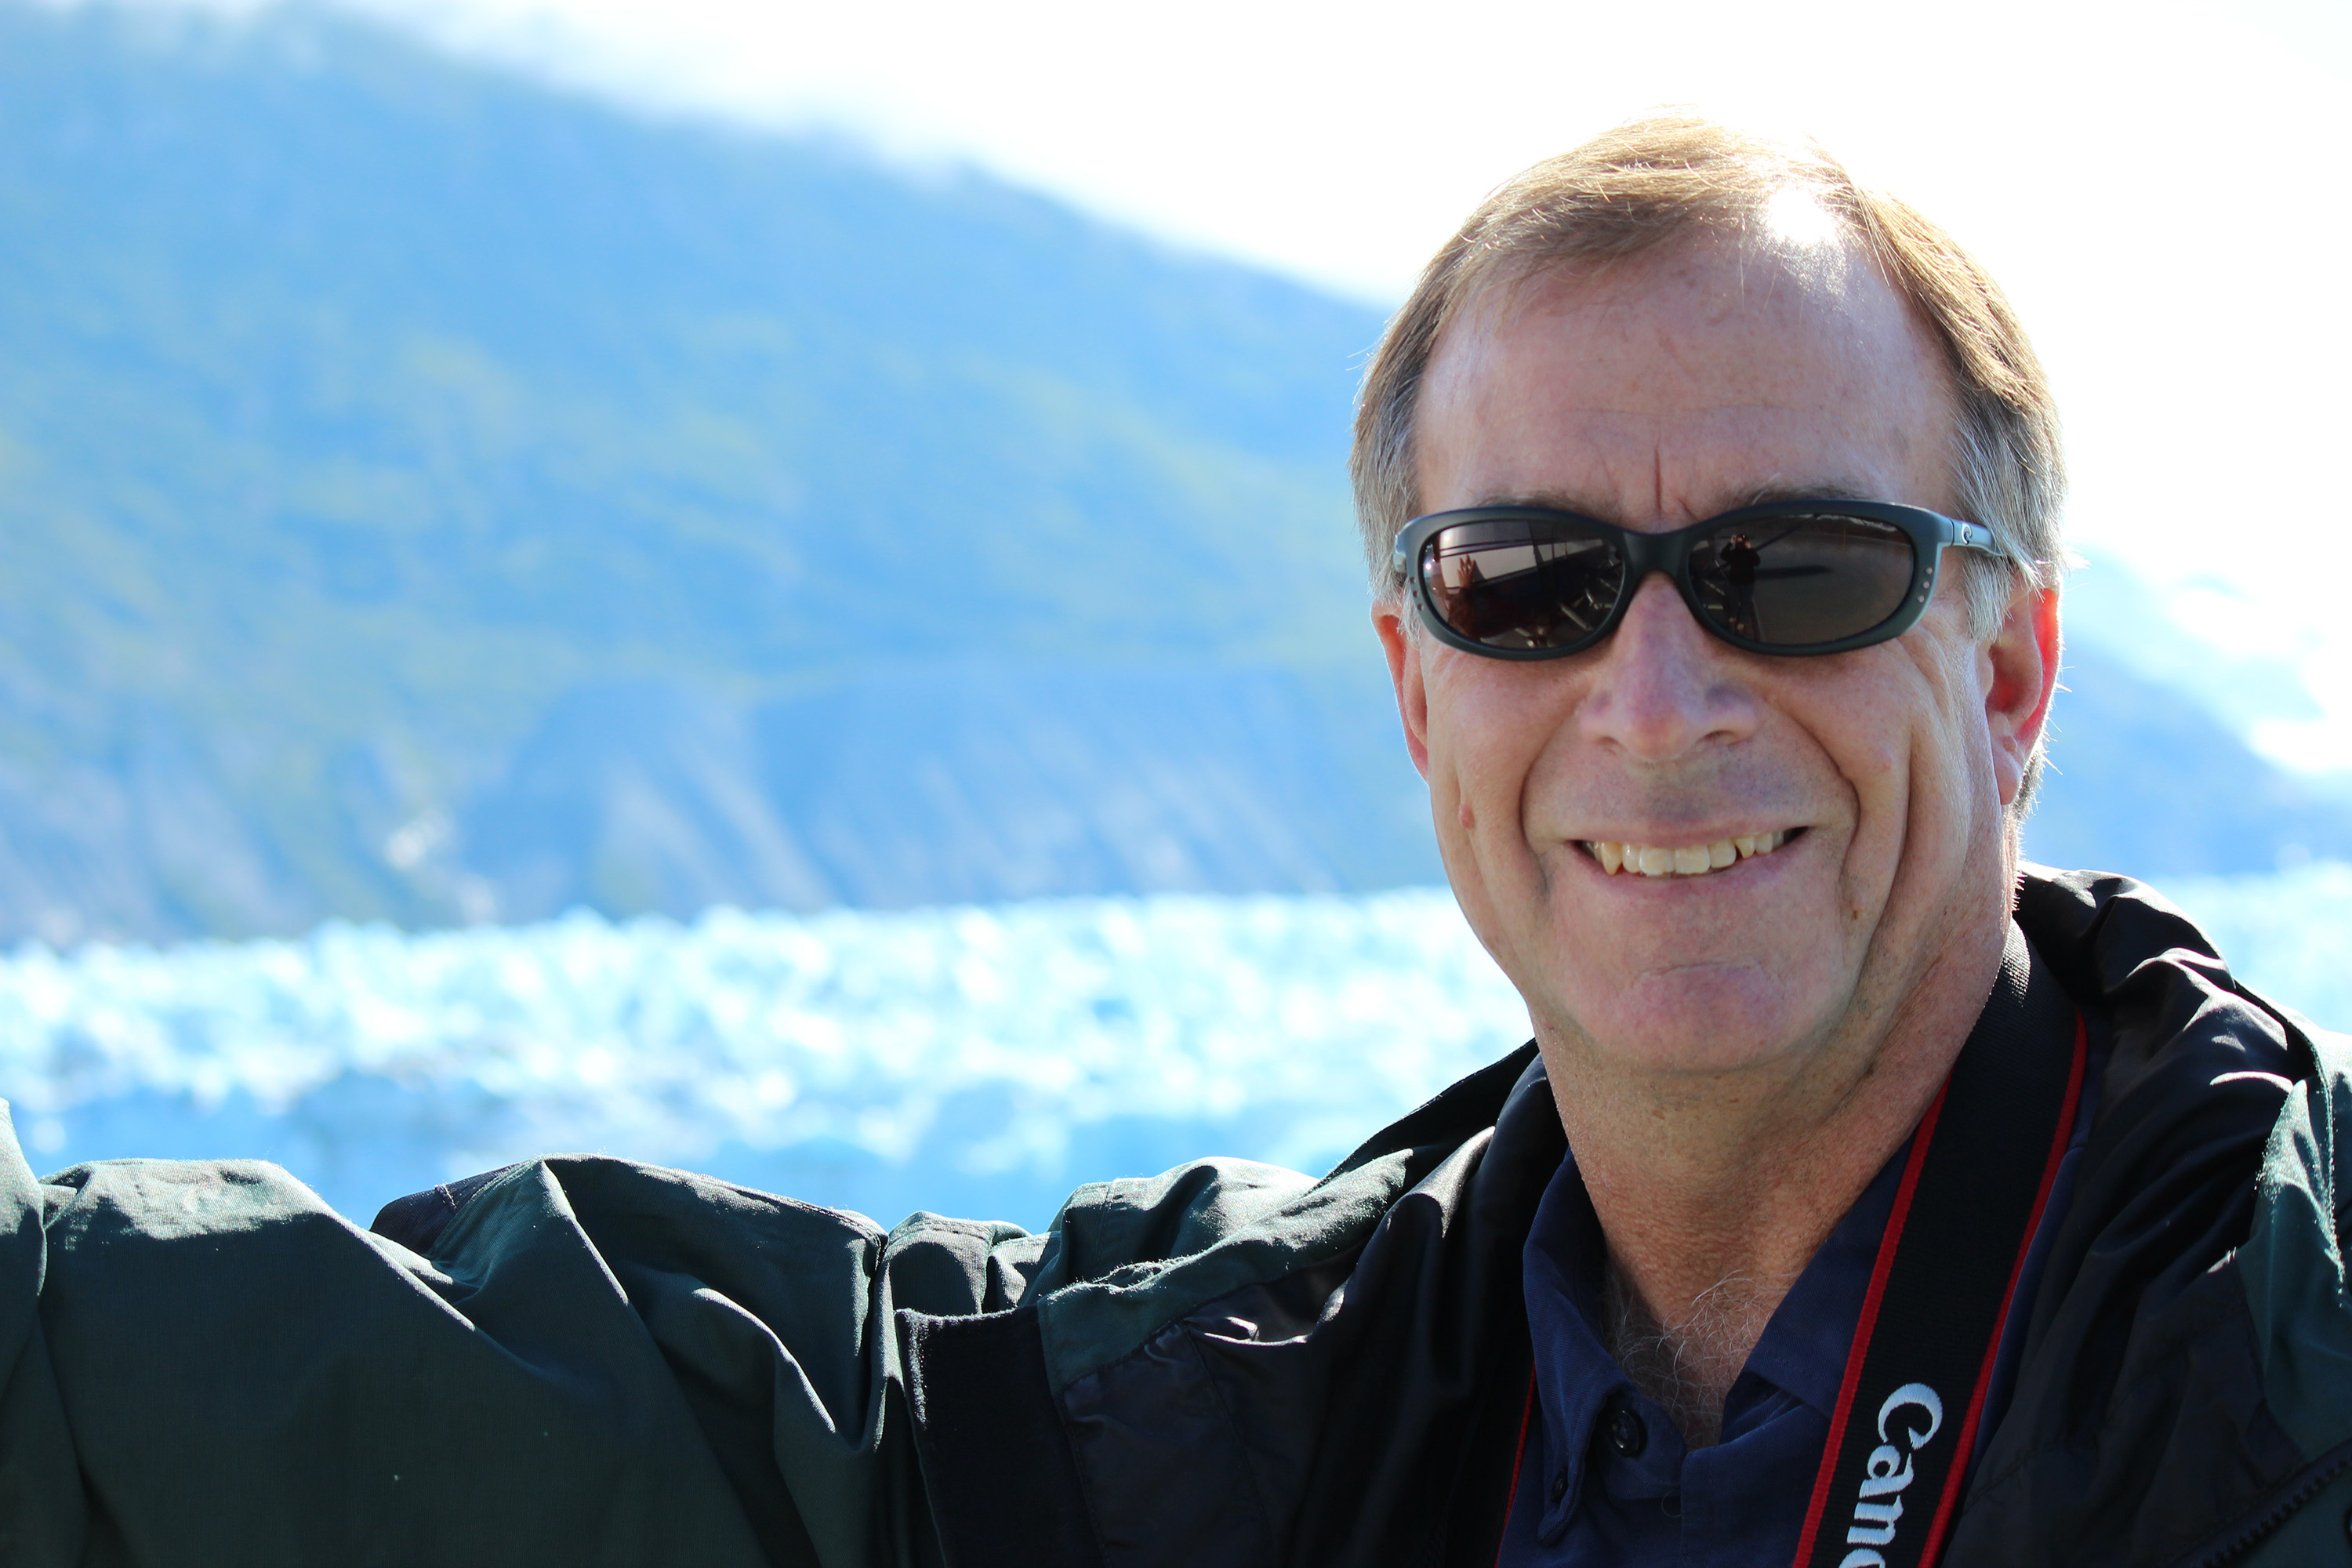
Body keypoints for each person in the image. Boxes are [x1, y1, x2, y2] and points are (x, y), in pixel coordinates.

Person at [0, 116, 2345, 1568]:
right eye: (1524, 584)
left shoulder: (2289, 1384)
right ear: (1421, 691)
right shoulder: (1241, 1414)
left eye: (1799, 567)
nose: (1654, 698)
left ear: (2014, 672)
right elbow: (496, 1401)